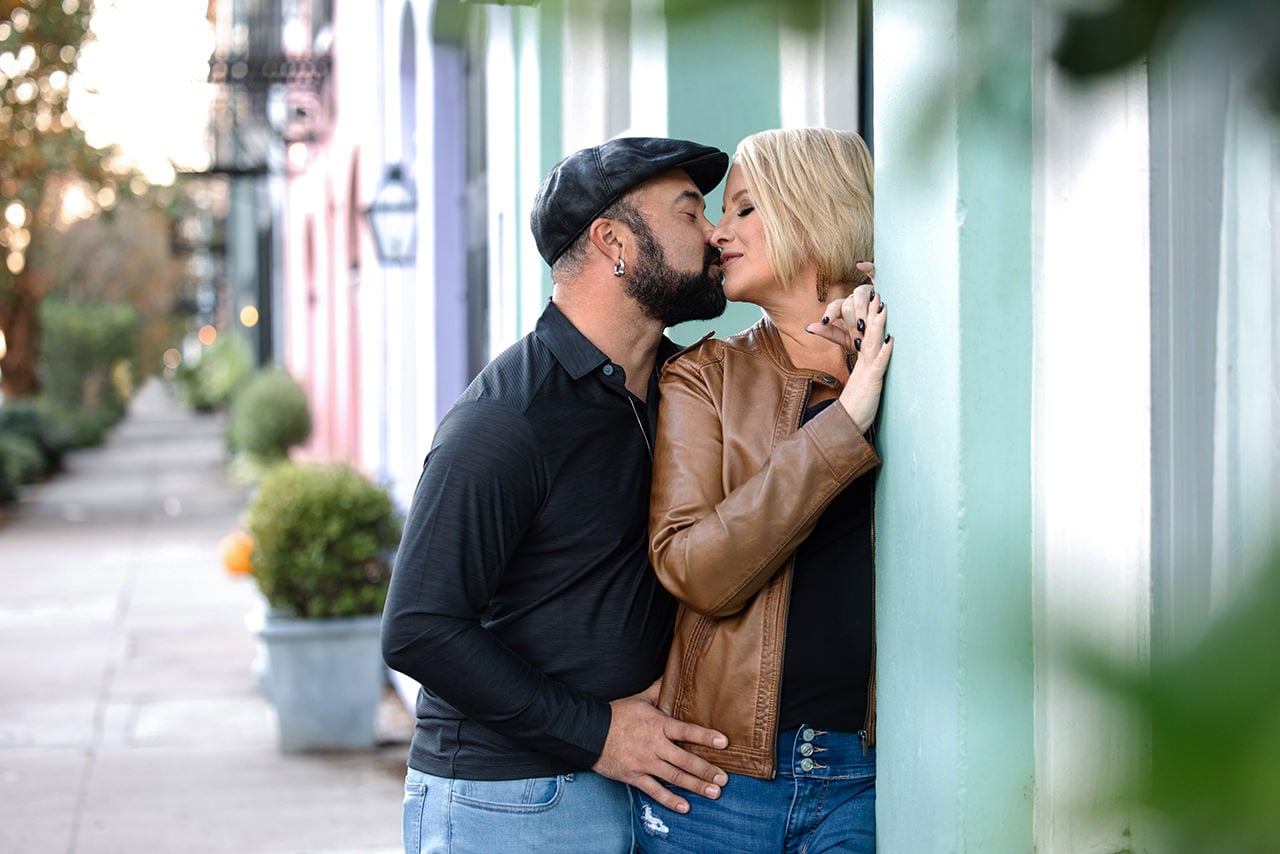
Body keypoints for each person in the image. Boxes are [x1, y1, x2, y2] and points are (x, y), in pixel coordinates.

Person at [381, 137, 738, 854]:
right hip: (507, 805)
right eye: (690, 211)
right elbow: (419, 626)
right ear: (614, 241)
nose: (715, 233)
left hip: (631, 790)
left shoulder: (685, 386)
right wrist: (597, 733)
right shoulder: (507, 419)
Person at [630, 127, 893, 853]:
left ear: (809, 212)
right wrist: (843, 427)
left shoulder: (909, 353)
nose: (718, 232)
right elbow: (695, 571)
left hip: (871, 776)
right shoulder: (704, 378)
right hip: (720, 785)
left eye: (744, 210)